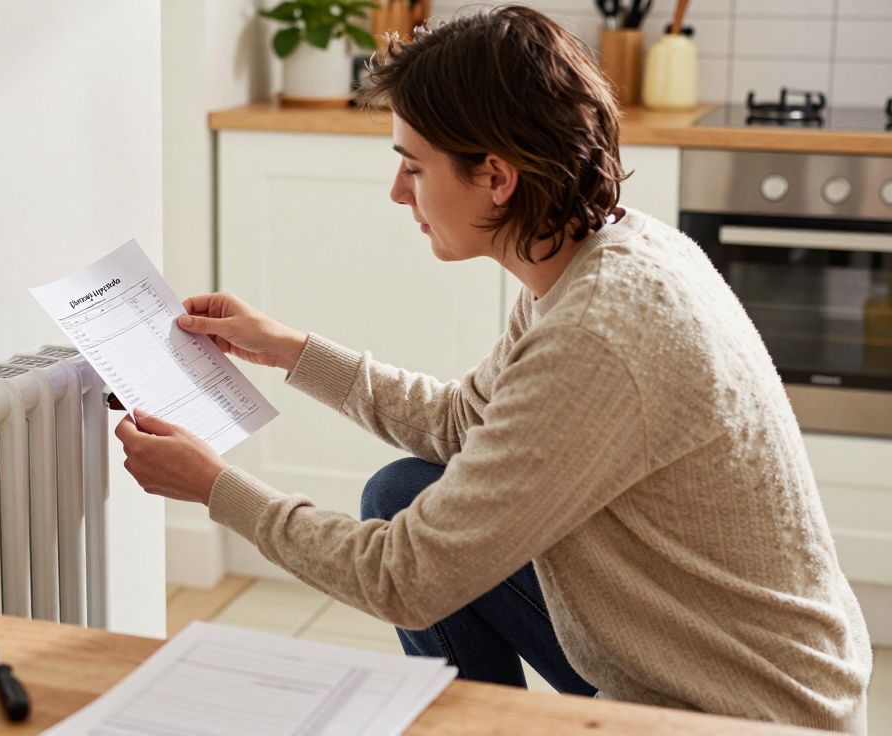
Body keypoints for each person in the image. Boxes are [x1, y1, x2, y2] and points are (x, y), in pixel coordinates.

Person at [114, 5, 871, 732]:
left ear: (496, 178)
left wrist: (215, 488)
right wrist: (288, 348)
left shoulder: (601, 331)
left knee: (414, 535)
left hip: (738, 710)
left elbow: (403, 579)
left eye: (413, 167)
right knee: (402, 488)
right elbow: (460, 424)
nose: (397, 191)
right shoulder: (584, 253)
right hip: (675, 647)